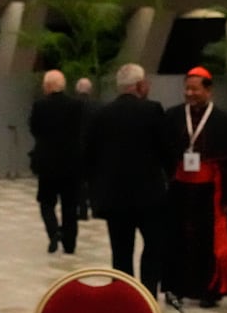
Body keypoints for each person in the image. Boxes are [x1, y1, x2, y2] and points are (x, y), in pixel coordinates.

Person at [83, 63, 169, 296]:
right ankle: (148, 295)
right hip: (149, 195)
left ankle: (123, 296)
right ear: (141, 85)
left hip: (114, 197)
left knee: (121, 251)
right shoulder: (152, 110)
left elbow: (89, 155)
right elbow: (166, 151)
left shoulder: (101, 114)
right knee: (153, 245)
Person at [163, 66, 227, 308]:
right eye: (187, 88)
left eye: (195, 89)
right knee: (177, 239)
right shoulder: (173, 116)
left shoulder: (225, 120)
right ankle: (175, 288)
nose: (190, 93)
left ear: (208, 90)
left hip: (211, 191)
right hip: (179, 189)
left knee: (208, 242)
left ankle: (209, 290)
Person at [29, 69, 84, 255]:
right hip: (71, 163)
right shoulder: (76, 105)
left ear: (48, 86)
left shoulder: (40, 106)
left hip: (47, 163)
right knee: (70, 204)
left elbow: (34, 129)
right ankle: (70, 244)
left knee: (46, 201)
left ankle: (53, 232)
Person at [74, 77, 97, 220]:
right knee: (93, 180)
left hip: (76, 148)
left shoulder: (71, 105)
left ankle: (81, 210)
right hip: (93, 148)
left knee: (79, 181)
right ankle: (95, 208)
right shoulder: (97, 106)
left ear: (77, 89)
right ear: (90, 90)